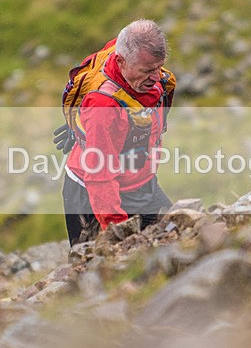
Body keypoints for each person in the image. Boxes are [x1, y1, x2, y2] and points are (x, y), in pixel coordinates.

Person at [59, 19, 175, 246]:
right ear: (120, 62)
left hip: (143, 185)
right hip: (91, 198)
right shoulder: (103, 106)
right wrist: (117, 230)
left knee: (178, 238)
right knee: (100, 270)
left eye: (158, 67)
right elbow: (98, 175)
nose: (156, 77)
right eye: (147, 71)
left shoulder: (134, 59)